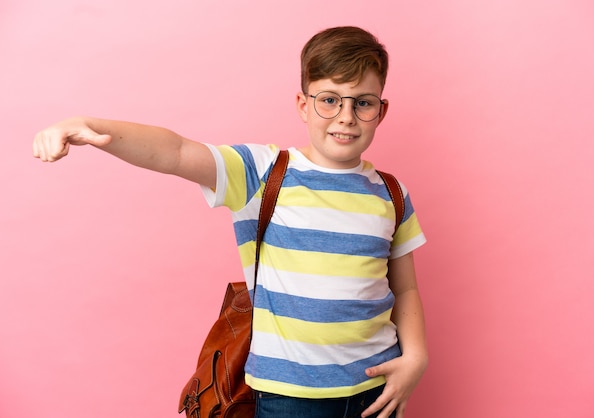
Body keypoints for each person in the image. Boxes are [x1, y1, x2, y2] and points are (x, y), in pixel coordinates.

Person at [33, 26, 428, 418]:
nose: (346, 117)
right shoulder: (262, 173)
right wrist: (84, 124)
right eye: (329, 100)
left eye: (363, 103)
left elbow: (405, 288)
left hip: (378, 391)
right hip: (288, 397)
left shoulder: (391, 193)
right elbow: (175, 151)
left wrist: (416, 359)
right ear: (303, 105)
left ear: (381, 110)